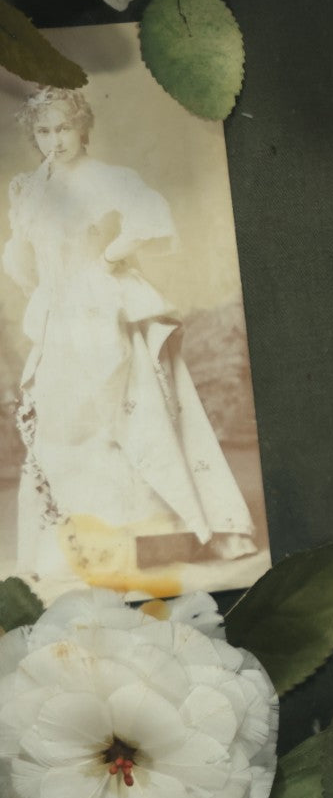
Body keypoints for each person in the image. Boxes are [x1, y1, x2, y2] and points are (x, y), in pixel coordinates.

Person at [3, 86, 256, 582]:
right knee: (64, 426)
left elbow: (148, 221)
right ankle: (78, 545)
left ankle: (143, 538)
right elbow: (19, 257)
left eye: (65, 128)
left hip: (104, 307)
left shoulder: (107, 179)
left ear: (84, 128)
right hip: (58, 317)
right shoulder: (27, 188)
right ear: (34, 136)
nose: (55, 140)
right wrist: (50, 294)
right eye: (44, 131)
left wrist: (107, 262)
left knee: (125, 415)